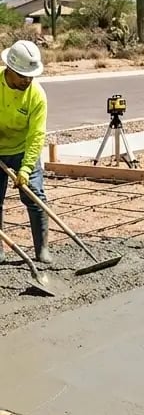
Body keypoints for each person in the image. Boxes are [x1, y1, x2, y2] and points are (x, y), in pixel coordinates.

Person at [0, 39, 51, 264]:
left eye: (31, 76)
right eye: (23, 75)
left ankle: (42, 250)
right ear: (9, 69)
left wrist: (27, 167)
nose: (27, 80)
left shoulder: (37, 95)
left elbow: (36, 135)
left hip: (23, 149)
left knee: (35, 195)